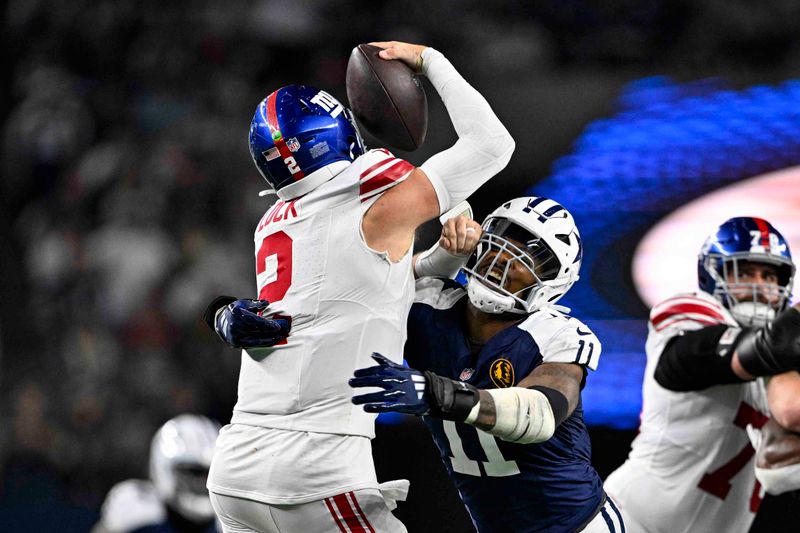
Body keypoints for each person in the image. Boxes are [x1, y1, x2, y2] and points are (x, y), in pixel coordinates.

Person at [203, 40, 515, 532]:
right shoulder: (375, 202)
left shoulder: (274, 223)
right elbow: (493, 145)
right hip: (314, 465)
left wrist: (446, 257)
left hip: (234, 468)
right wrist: (430, 60)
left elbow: (369, 290)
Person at [350, 196, 626, 533]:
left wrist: (439, 394)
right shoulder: (430, 304)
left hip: (576, 526)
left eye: (525, 258)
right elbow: (358, 287)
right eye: (499, 243)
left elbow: (540, 414)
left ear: (553, 282)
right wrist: (438, 259)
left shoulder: (554, 335)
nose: (502, 260)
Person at [603, 216, 800, 532]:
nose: (760, 287)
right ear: (713, 276)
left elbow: (782, 457)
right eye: (745, 273)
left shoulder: (783, 362)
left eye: (769, 276)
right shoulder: (694, 313)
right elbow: (748, 350)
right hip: (630, 521)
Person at [92, 414, 221, 533]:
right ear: (163, 468)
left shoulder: (229, 521)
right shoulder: (135, 509)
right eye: (195, 473)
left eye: (212, 474)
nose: (205, 484)